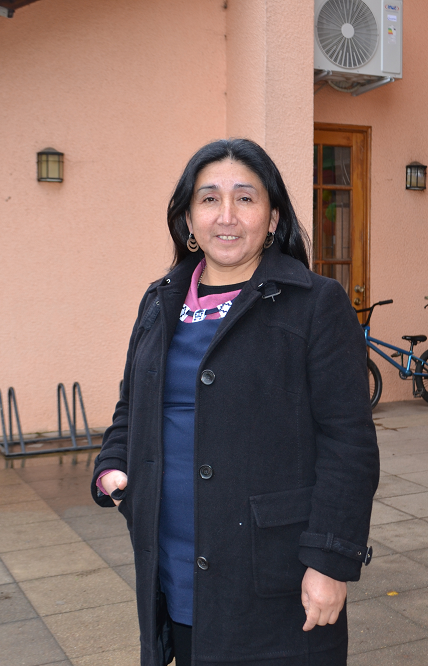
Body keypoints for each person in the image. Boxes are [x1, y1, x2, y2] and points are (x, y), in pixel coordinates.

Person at [91, 138, 379, 666]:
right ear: (187, 219)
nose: (227, 215)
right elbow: (132, 408)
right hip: (170, 564)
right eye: (209, 199)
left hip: (271, 576)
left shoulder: (315, 304)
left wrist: (330, 562)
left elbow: (349, 443)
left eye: (246, 198)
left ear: (272, 218)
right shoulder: (159, 301)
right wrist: (112, 464)